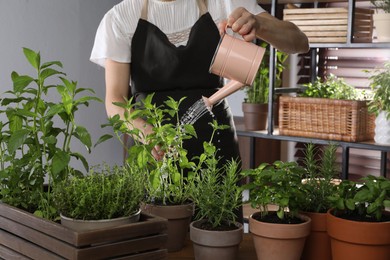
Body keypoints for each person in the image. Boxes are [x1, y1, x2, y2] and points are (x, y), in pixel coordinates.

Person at [90, 0, 308, 172]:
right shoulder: (121, 17)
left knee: (218, 223)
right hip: (154, 150)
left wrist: (259, 24)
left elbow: (298, 41)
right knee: (156, 225)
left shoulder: (221, 3)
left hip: (216, 145)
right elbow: (115, 100)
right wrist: (144, 130)